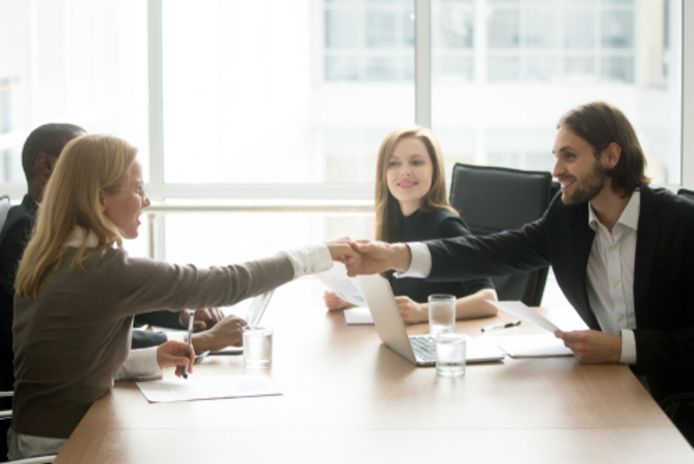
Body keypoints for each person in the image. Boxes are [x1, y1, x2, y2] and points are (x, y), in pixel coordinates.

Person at [347, 101, 694, 439]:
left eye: (569, 156)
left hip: (678, 399)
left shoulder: (681, 223)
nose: (557, 170)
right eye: (555, 156)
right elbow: (490, 252)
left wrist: (621, 348)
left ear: (611, 156)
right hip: (616, 389)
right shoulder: (568, 215)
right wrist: (397, 256)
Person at [8, 134, 357, 459]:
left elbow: (73, 365)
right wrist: (320, 254)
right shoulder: (102, 270)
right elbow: (228, 284)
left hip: (41, 437)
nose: (146, 199)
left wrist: (153, 358)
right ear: (101, 199)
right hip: (64, 450)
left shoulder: (52, 256)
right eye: (138, 187)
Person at [0, 124, 238, 399]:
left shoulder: (63, 235)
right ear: (47, 167)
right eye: (80, 160)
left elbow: (101, 297)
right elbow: (79, 335)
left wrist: (179, 312)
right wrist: (197, 342)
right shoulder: (30, 234)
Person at [324, 127, 497, 324]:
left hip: (447, 342)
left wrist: (422, 311)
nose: (405, 171)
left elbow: (489, 300)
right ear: (384, 173)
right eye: (394, 163)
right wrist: (350, 301)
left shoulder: (447, 225)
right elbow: (399, 301)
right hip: (412, 340)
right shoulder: (392, 225)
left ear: (434, 170)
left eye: (416, 162)